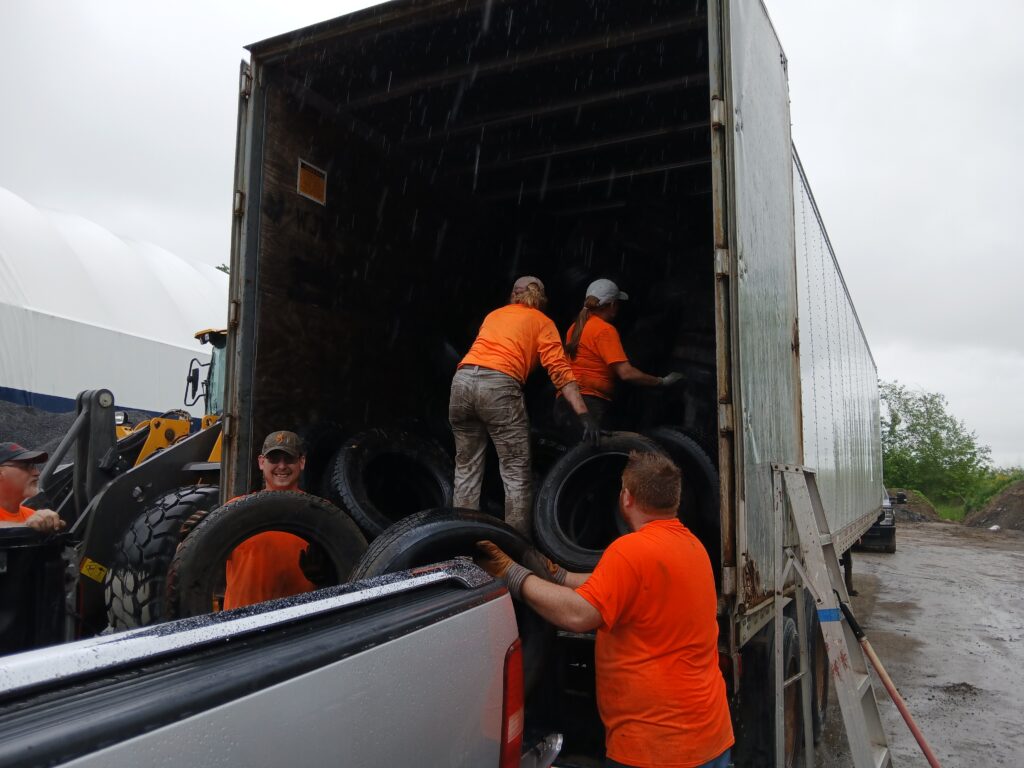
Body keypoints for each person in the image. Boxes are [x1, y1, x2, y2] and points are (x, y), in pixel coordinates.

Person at [476, 450, 733, 768]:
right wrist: (559, 575)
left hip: (655, 748)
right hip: (709, 735)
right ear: (674, 500)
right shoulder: (692, 548)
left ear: (626, 496)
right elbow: (624, 586)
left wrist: (511, 574)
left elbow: (577, 615)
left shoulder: (630, 551)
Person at [450, 275, 599, 538]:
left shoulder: (494, 315)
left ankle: (461, 543)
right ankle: (516, 548)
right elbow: (560, 372)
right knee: (516, 470)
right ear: (541, 299)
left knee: (467, 467)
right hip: (498, 386)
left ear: (513, 295)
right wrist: (584, 415)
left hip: (461, 383)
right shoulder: (542, 322)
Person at [554, 278, 683, 436]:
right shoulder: (605, 330)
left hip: (565, 404)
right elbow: (626, 373)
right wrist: (661, 382)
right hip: (589, 406)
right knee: (598, 458)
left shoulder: (575, 327)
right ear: (613, 305)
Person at [221, 430, 318, 610]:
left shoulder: (320, 513)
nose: (282, 466)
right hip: (241, 625)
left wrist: (325, 575)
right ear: (261, 462)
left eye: (289, 459)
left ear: (301, 462)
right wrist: (190, 537)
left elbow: (346, 572)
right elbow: (196, 564)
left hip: (299, 625)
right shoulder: (235, 510)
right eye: (274, 459)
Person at [0, 442, 66, 532]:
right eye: (27, 466)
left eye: (34, 466)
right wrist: (27, 527)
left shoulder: (32, 516)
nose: (37, 473)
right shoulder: (32, 521)